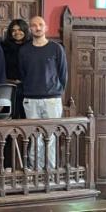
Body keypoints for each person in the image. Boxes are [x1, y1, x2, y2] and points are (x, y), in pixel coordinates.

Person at [19, 16, 67, 170]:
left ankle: (50, 173)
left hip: (52, 99)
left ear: (45, 28)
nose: (37, 27)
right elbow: (22, 73)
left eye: (40, 25)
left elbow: (63, 74)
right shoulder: (24, 50)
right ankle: (35, 173)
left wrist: (56, 91)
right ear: (30, 29)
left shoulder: (56, 48)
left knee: (51, 136)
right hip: (31, 99)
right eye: (34, 25)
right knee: (34, 136)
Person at [2, 19, 31, 118]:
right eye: (13, 30)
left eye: (19, 29)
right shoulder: (4, 46)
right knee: (8, 116)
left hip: (27, 87)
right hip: (8, 86)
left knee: (26, 116)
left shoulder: (32, 46)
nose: (17, 32)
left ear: (25, 30)